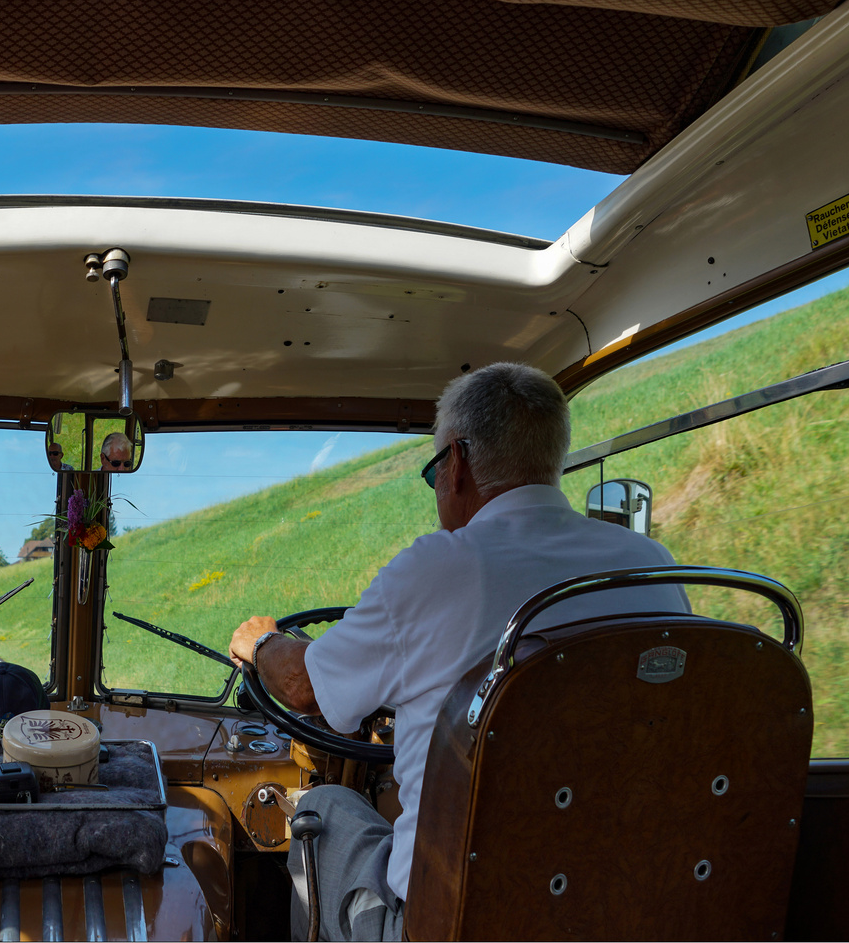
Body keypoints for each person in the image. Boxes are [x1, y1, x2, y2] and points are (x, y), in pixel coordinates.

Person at [228, 363, 690, 942]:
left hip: (452, 924)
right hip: (609, 910)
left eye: (434, 470)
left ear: (457, 464)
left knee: (322, 807)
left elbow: (304, 688)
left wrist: (261, 642)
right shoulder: (652, 563)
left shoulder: (441, 567)